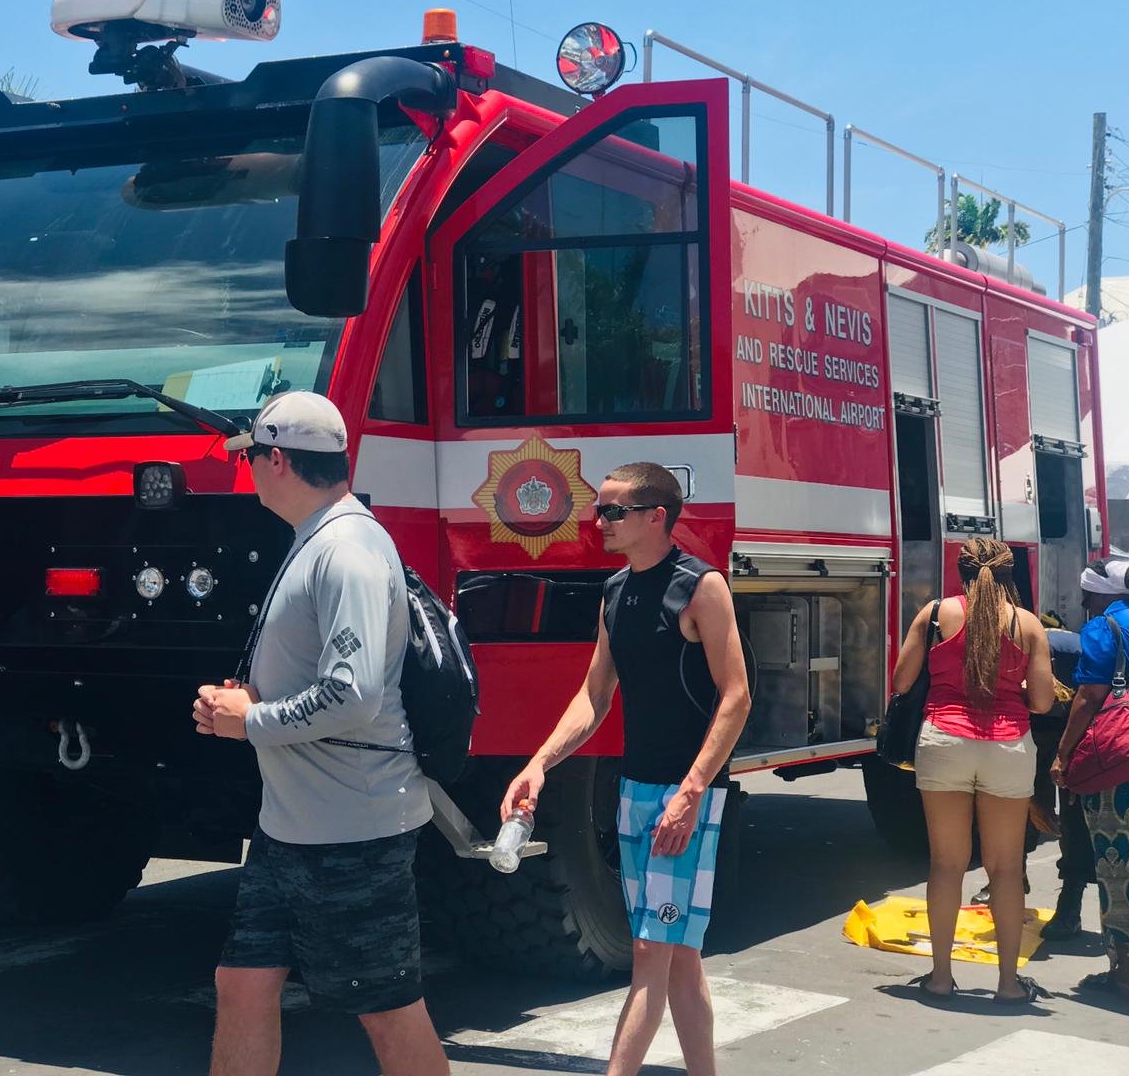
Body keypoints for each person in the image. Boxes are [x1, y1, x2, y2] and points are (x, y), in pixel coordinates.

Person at [192, 391, 447, 1076]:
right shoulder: (320, 539)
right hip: (293, 826)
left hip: (352, 829)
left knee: (387, 1009)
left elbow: (353, 694)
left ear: (276, 459)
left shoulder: (345, 549)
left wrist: (251, 721)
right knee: (241, 982)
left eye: (249, 458)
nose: (247, 470)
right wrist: (248, 700)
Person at [500, 461, 750, 1076]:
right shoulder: (616, 591)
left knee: (648, 952)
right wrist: (538, 764)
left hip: (684, 798)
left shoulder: (701, 587)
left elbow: (736, 696)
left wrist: (691, 793)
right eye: (600, 510)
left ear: (656, 516)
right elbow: (594, 697)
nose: (600, 521)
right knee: (679, 956)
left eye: (614, 511)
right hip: (636, 790)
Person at [891, 538, 1055, 1005]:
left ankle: (941, 977)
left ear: (960, 572)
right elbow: (1043, 701)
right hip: (1007, 745)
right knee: (1005, 869)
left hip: (944, 740)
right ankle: (1008, 984)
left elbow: (901, 681)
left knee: (947, 864)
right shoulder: (1027, 624)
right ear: (1009, 575)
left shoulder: (935, 614)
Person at [1049, 557, 1129, 1004]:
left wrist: (1063, 755)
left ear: (1102, 596)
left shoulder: (1104, 628)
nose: (1084, 605)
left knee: (1118, 867)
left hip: (1119, 765)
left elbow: (1087, 697)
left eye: (1087, 597)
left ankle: (1125, 975)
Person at [1034, 628, 1097, 941]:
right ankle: (1008, 880)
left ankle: (1070, 904)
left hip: (1079, 722)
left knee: (1074, 818)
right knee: (1020, 805)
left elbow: (1089, 701)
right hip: (1037, 721)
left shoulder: (1079, 651)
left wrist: (1064, 755)